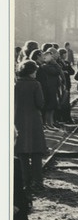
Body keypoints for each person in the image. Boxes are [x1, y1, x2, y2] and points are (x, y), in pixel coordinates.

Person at [14, 60, 48, 193]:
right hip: (34, 121)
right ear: (30, 72)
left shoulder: (15, 84)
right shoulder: (35, 84)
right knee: (36, 152)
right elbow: (40, 103)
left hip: (18, 121)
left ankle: (25, 182)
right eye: (35, 71)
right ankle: (38, 181)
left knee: (22, 152)